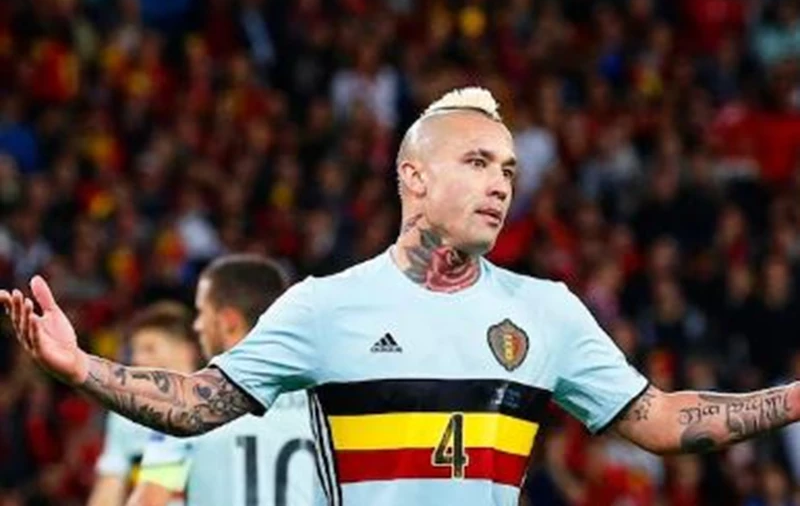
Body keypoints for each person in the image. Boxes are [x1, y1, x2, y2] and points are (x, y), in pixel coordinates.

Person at [3, 87, 799, 506]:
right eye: (477, 163)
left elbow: (662, 421)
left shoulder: (548, 310)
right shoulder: (323, 307)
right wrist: (80, 369)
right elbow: (197, 403)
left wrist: (795, 398)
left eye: (509, 170)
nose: (500, 185)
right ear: (414, 178)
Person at [126, 255, 320, 506]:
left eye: (201, 312)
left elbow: (149, 502)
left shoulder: (189, 403)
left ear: (229, 322)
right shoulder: (324, 397)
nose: (197, 326)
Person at [87, 302, 199, 506]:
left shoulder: (220, 409)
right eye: (135, 351)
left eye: (149, 349)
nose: (138, 359)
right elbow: (110, 486)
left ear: (186, 351)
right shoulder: (125, 417)